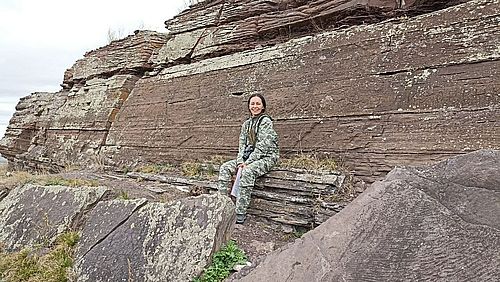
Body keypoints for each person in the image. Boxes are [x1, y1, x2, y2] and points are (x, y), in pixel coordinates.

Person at [217, 94, 279, 224]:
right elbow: (242, 145)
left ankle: (240, 212)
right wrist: (240, 161)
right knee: (224, 168)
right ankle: (221, 205)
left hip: (267, 157)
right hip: (247, 157)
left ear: (263, 107)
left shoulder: (266, 122)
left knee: (248, 172)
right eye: (252, 104)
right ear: (249, 106)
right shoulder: (246, 124)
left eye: (258, 104)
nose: (255, 106)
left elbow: (263, 146)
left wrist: (247, 163)